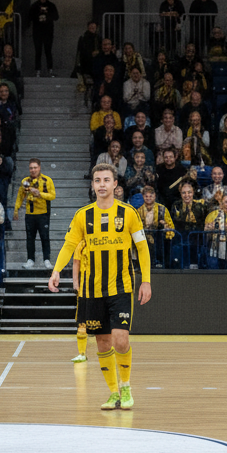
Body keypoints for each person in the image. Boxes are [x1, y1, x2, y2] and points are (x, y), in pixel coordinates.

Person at [47, 164, 152, 411]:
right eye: (97, 180)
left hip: (121, 287)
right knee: (103, 343)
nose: (101, 184)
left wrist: (146, 280)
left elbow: (142, 248)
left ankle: (126, 387)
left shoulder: (128, 213)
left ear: (115, 184)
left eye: (106, 180)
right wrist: (56, 270)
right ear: (93, 185)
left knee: (120, 339)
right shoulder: (82, 215)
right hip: (91, 290)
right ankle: (113, 393)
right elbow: (69, 245)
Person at [13, 158, 56, 269]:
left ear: (39, 168)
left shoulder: (47, 180)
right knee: (30, 237)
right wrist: (16, 209)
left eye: (35, 167)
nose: (33, 170)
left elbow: (52, 195)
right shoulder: (25, 181)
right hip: (30, 214)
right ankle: (30, 260)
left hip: (43, 213)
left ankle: (47, 259)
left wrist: (40, 194)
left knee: (44, 237)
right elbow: (20, 196)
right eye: (31, 168)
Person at [27, 0, 59, 77]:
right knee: (38, 51)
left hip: (48, 32)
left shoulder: (51, 5)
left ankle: (50, 70)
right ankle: (38, 70)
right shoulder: (34, 6)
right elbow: (29, 17)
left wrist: (47, 14)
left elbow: (56, 17)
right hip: (37, 32)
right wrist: (38, 14)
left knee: (48, 51)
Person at [70, 238, 89, 363]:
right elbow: (76, 263)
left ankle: (110, 351)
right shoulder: (82, 244)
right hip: (84, 288)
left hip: (103, 288)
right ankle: (82, 353)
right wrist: (75, 283)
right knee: (82, 323)